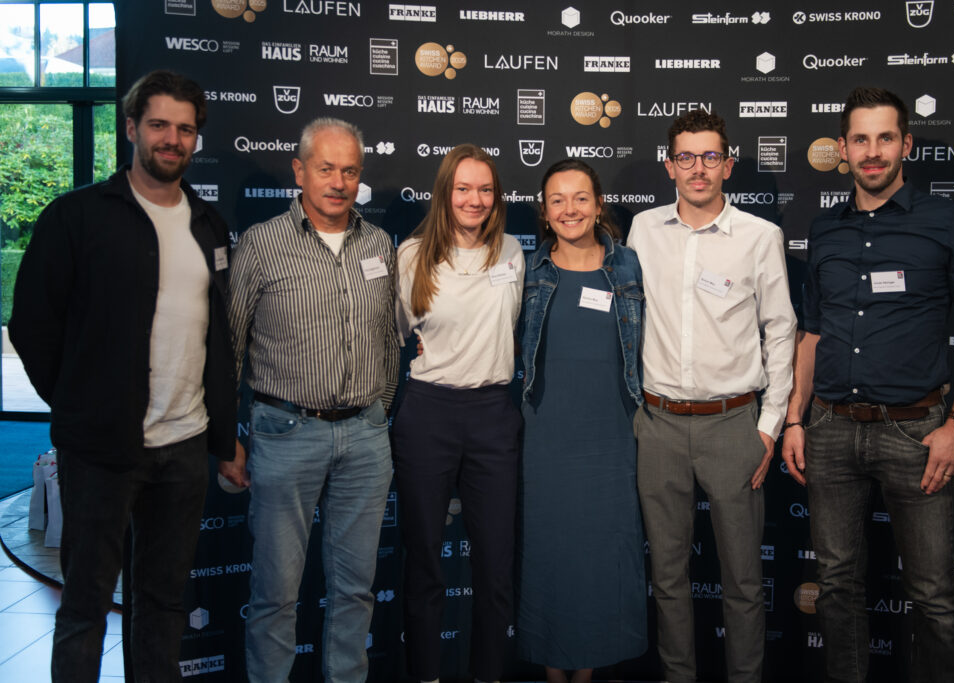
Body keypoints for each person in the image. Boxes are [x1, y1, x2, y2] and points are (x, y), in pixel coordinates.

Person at [9, 70, 235, 681]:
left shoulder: (208, 224)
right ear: (131, 128)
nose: (172, 139)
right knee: (84, 607)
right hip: (100, 450)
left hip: (184, 447)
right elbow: (32, 325)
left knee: (162, 603)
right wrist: (78, 404)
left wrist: (221, 433)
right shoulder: (76, 215)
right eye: (159, 124)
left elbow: (217, 338)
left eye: (184, 129)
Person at [780, 87, 954, 683]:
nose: (872, 151)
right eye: (860, 139)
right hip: (830, 430)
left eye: (885, 138)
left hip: (917, 435)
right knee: (836, 585)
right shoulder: (825, 229)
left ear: (906, 144)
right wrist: (796, 417)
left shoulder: (948, 222)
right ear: (842, 149)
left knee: (932, 594)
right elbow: (812, 331)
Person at [224, 117, 398, 682]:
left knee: (355, 589)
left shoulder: (379, 244)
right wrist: (226, 436)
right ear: (299, 171)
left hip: (366, 436)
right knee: (275, 591)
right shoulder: (261, 244)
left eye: (349, 171)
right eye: (326, 169)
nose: (338, 182)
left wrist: (379, 411)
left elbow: (389, 339)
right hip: (285, 435)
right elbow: (229, 346)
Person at [627, 110, 796, 683]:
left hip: (733, 425)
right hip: (658, 424)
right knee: (667, 577)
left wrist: (769, 426)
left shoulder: (759, 236)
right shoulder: (643, 230)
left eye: (709, 157)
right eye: (685, 157)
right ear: (668, 165)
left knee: (744, 579)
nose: (697, 168)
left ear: (728, 164)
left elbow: (781, 331)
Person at [392, 144, 524, 683]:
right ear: (445, 192)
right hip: (429, 414)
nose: (475, 199)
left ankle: (487, 674)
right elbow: (398, 334)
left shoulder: (512, 252)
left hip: (493, 415)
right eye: (463, 188)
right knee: (424, 560)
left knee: (495, 565)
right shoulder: (412, 255)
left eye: (485, 189)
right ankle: (426, 675)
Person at [517, 159, 647, 683]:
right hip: (545, 433)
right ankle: (554, 672)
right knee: (550, 551)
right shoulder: (527, 271)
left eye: (580, 198)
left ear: (598, 205)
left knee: (600, 553)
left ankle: (588, 672)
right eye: (557, 200)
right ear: (544, 211)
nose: (569, 209)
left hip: (611, 433)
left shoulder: (630, 266)